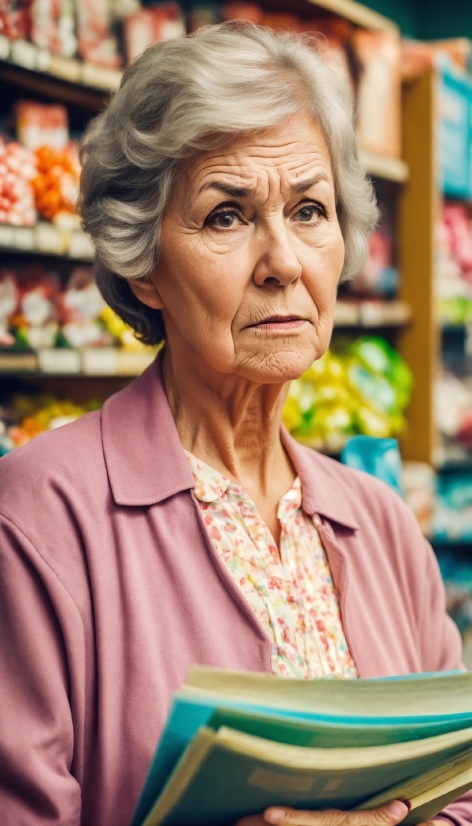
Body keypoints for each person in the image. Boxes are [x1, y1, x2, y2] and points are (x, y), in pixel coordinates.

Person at [0, 22, 469, 826]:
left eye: (311, 209)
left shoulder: (384, 524)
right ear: (144, 264)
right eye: (227, 215)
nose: (283, 261)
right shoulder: (37, 519)